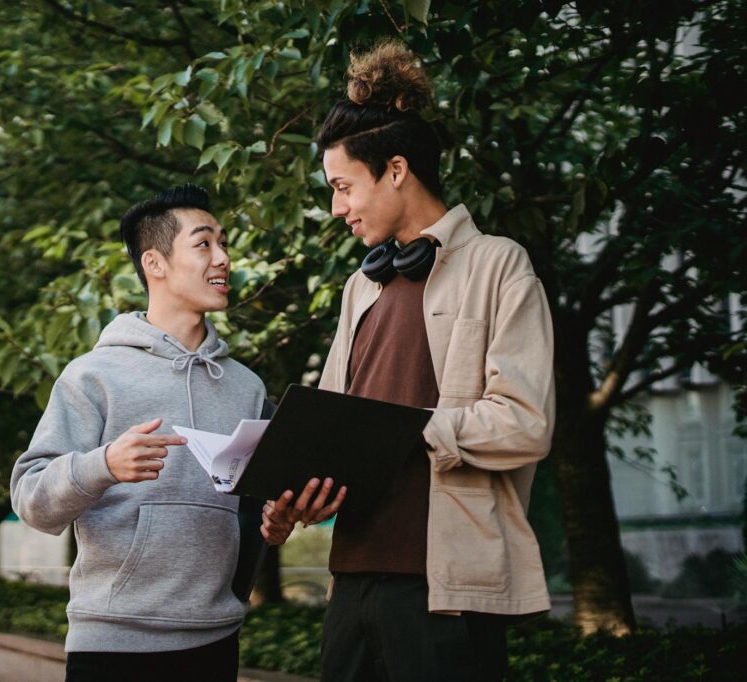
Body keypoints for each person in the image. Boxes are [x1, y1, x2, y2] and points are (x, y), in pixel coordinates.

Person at [266, 41, 556, 681]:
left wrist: (408, 427)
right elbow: (329, 433)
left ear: (396, 168)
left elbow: (526, 423)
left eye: (343, 187)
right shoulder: (358, 287)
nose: (337, 208)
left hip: (446, 589)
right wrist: (292, 496)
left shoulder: (498, 264)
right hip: (350, 579)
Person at [10, 184, 292, 682]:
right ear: (154, 263)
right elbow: (31, 498)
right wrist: (103, 465)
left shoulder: (247, 387)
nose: (223, 258)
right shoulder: (94, 375)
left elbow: (249, 504)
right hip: (112, 641)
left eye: (224, 244)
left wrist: (276, 518)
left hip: (215, 637)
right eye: (204, 244)